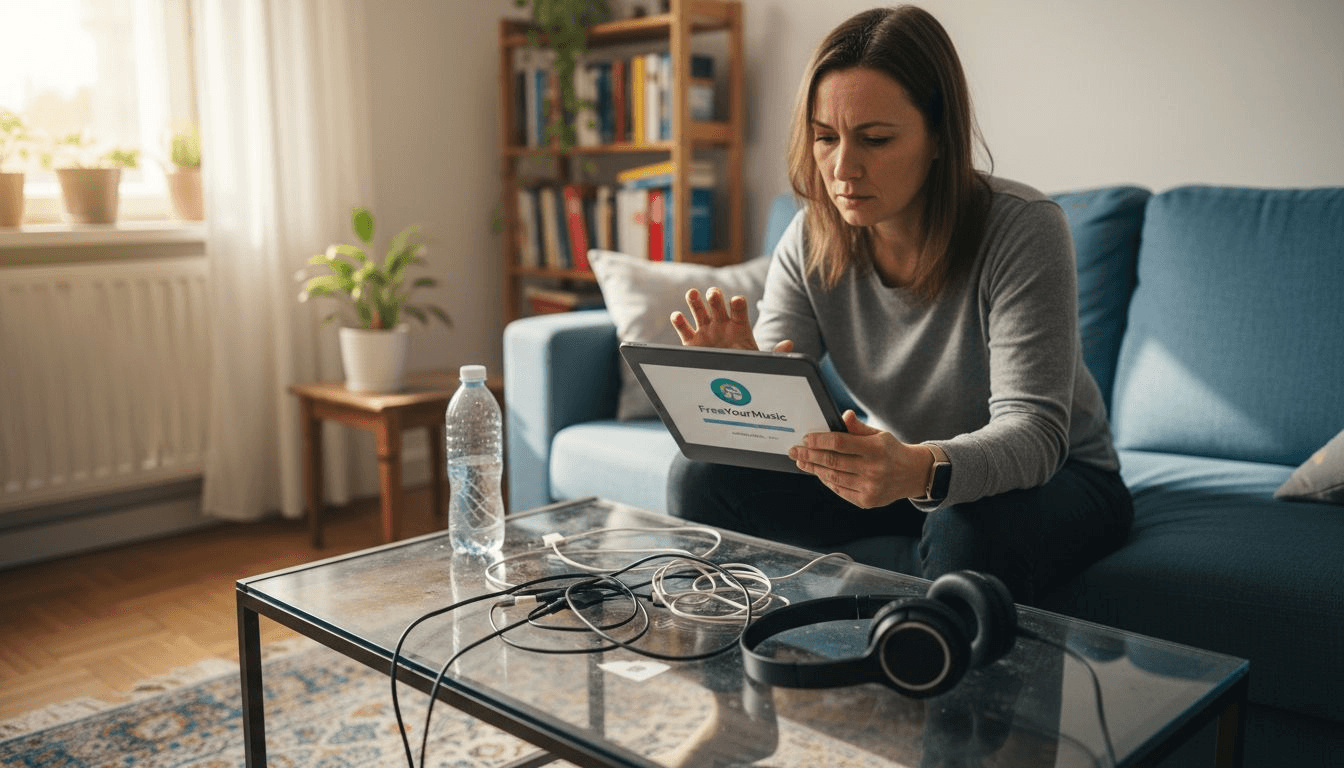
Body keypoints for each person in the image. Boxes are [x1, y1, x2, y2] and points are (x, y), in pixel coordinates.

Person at [665, 5, 1133, 605]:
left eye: (875, 139)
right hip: (908, 475)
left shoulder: (1023, 228)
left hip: (1063, 476)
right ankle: (747, 670)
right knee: (704, 478)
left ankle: (937, 692)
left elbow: (1035, 433)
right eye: (825, 137)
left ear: (939, 136)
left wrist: (917, 469)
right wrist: (745, 381)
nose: (841, 168)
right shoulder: (811, 237)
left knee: (966, 522)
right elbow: (788, 417)